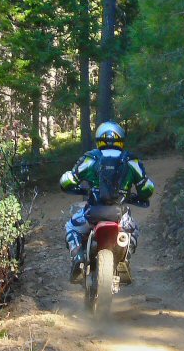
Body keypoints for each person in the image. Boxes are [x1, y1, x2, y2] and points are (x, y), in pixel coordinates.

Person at [59, 121, 155, 283]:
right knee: (134, 230)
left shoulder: (90, 158)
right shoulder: (131, 161)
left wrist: (78, 187)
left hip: (92, 213)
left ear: (99, 138)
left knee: (71, 227)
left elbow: (67, 181)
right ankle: (124, 260)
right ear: (121, 139)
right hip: (119, 215)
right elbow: (147, 189)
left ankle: (78, 257)